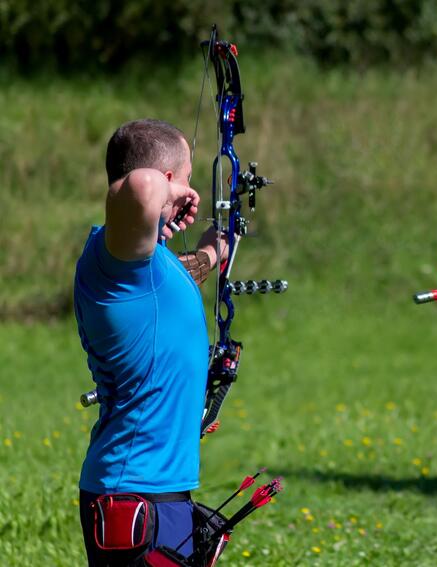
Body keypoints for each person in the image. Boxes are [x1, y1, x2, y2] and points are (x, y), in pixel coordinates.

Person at [74, 119, 226, 566]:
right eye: (186, 179)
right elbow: (142, 185)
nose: (189, 194)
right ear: (168, 179)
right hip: (134, 495)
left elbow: (181, 274)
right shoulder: (111, 261)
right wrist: (172, 189)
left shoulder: (145, 266)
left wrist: (215, 250)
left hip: (157, 494)